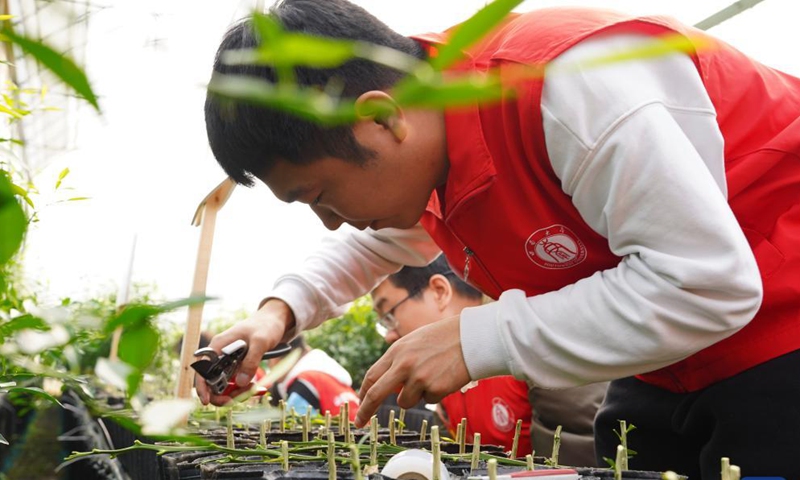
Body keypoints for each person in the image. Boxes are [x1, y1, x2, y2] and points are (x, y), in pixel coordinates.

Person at [199, 1, 800, 477]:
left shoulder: (569, 84)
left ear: (380, 120)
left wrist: (474, 339)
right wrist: (277, 317)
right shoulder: (429, 145)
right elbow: (375, 241)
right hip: (669, 362)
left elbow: (705, 282)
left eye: (318, 196)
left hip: (780, 330)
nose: (330, 221)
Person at [372, 257, 606, 465]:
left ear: (439, 291)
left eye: (389, 315)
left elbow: (578, 455)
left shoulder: (530, 341)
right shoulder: (439, 381)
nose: (390, 335)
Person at [264, 335, 360, 421]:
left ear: (277, 357)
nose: (270, 366)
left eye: (269, 360)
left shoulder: (303, 384)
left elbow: (296, 428)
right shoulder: (327, 375)